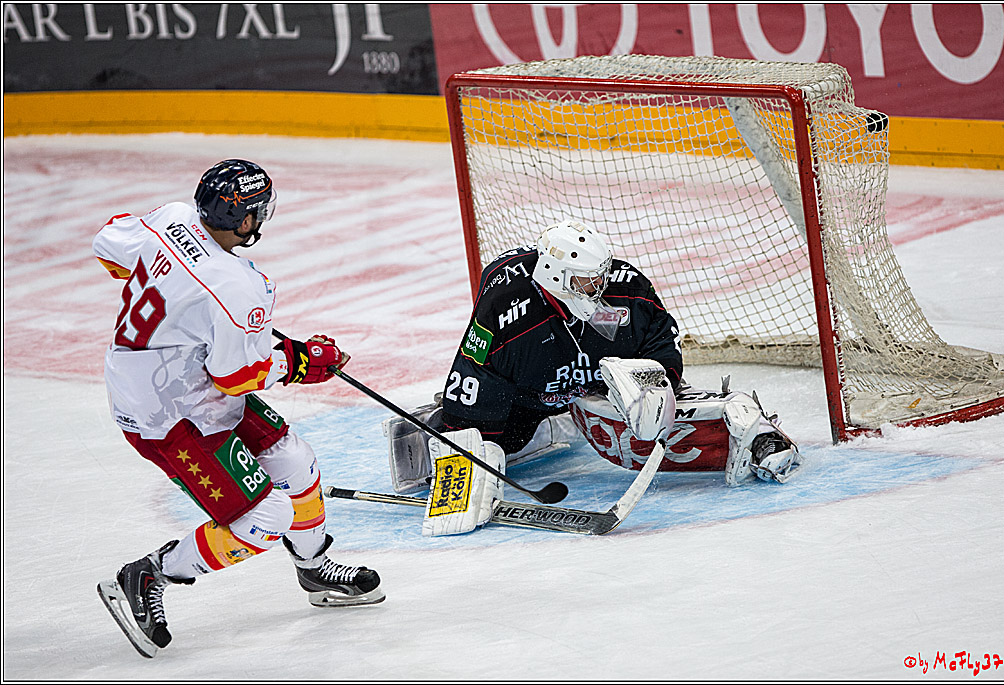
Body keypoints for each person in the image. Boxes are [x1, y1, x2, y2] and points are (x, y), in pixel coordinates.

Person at [93, 159, 383, 659]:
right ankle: (146, 574)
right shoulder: (236, 286)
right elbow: (241, 376)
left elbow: (108, 245)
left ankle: (313, 566)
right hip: (166, 415)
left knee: (293, 459)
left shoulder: (171, 217)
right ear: (245, 220)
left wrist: (187, 308)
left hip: (181, 381)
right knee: (266, 517)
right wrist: (304, 359)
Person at [385, 219, 801, 496]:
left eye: (601, 274)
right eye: (587, 280)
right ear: (556, 278)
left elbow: (662, 337)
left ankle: (757, 437)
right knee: (504, 440)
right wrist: (469, 441)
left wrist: (659, 384)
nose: (599, 286)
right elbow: (476, 372)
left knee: (646, 424)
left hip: (595, 390)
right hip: (528, 395)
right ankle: (467, 437)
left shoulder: (626, 288)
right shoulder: (507, 310)